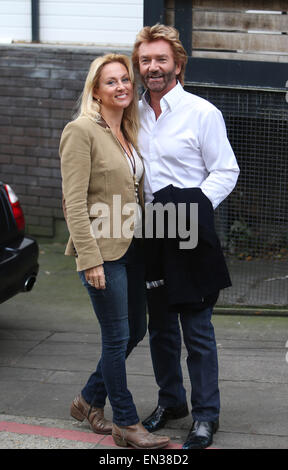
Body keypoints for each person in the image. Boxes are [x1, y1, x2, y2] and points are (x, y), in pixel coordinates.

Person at [132, 25, 240, 449]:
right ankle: (171, 402)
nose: (153, 67)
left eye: (161, 59)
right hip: (152, 231)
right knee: (160, 328)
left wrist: (193, 206)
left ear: (177, 63)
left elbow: (226, 171)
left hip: (192, 231)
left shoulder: (202, 113)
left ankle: (206, 415)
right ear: (138, 66)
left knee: (197, 330)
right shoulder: (131, 112)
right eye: (145, 60)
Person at [59, 53, 170, 450]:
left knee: (134, 330)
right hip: (102, 252)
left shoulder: (126, 129)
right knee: (116, 335)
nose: (122, 86)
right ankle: (125, 422)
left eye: (125, 79)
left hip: (132, 247)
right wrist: (89, 259)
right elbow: (73, 203)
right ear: (96, 90)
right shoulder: (80, 131)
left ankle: (88, 399)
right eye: (111, 82)